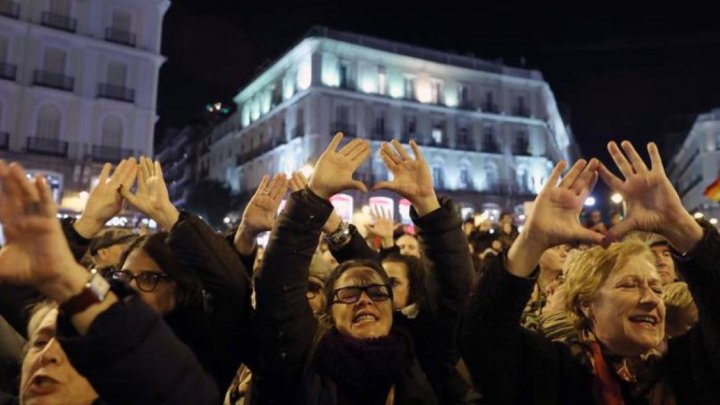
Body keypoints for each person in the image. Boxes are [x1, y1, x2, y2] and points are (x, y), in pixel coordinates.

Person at [459, 141, 720, 404]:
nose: (651, 299)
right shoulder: (552, 372)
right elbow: (482, 340)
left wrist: (682, 226)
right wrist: (531, 240)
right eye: (629, 285)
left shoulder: (692, 365)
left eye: (657, 288)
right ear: (586, 305)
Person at [251, 135, 475, 404]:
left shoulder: (422, 356)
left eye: (378, 292)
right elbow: (278, 290)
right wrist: (314, 197)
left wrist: (428, 205)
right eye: (349, 293)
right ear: (329, 312)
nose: (365, 300)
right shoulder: (306, 362)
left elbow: (453, 293)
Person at [0, 160, 219, 404]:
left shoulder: (185, 355)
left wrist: (67, 278)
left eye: (149, 278)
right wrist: (84, 227)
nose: (48, 354)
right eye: (39, 342)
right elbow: (13, 293)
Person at [116, 156, 261, 392]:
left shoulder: (203, 343)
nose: (131, 287)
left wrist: (168, 215)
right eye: (125, 276)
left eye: (148, 279)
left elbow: (228, 286)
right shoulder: (108, 332)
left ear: (181, 287)